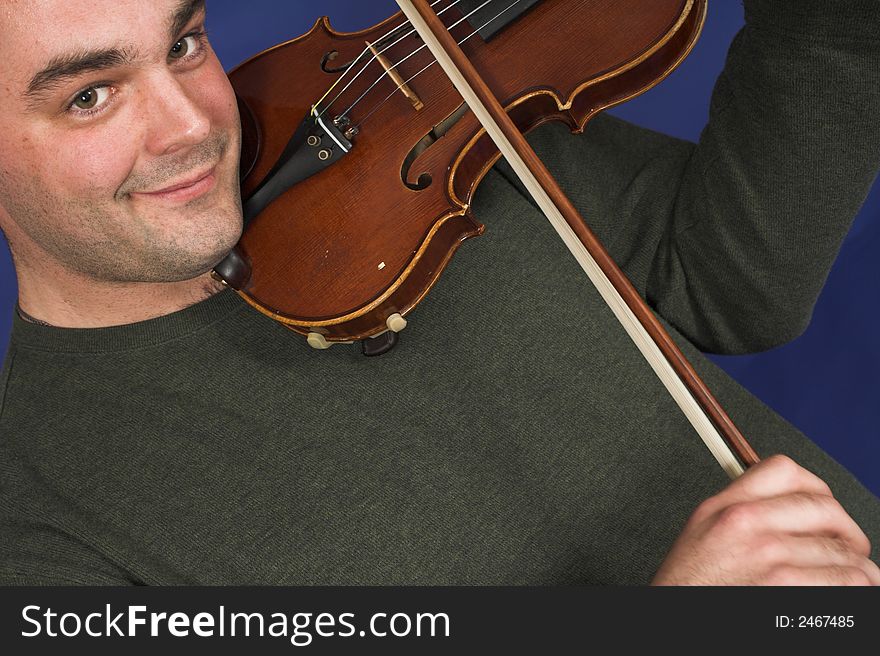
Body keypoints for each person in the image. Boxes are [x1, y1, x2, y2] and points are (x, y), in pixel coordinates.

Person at [0, 0, 878, 586]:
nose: (197, 126)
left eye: (184, 44)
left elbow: (729, 284)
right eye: (90, 96)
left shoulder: (404, 142)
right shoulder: (43, 529)